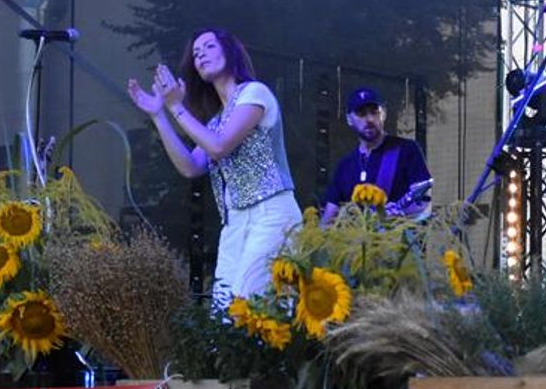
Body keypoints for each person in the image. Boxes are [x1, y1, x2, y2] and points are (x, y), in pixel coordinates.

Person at [128, 28, 302, 303]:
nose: (200, 55)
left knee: (249, 307)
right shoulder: (216, 122)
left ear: (230, 52)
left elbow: (219, 146)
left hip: (271, 214)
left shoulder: (255, 93)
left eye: (209, 47)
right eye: (196, 53)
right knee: (223, 313)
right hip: (234, 223)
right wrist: (159, 115)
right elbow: (190, 166)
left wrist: (176, 107)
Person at [320, 87, 431, 224]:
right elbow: (330, 214)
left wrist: (402, 214)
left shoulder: (406, 149)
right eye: (361, 114)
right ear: (349, 119)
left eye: (374, 112)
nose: (370, 119)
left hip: (399, 235)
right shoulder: (345, 166)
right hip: (355, 237)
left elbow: (425, 202)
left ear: (383, 114)